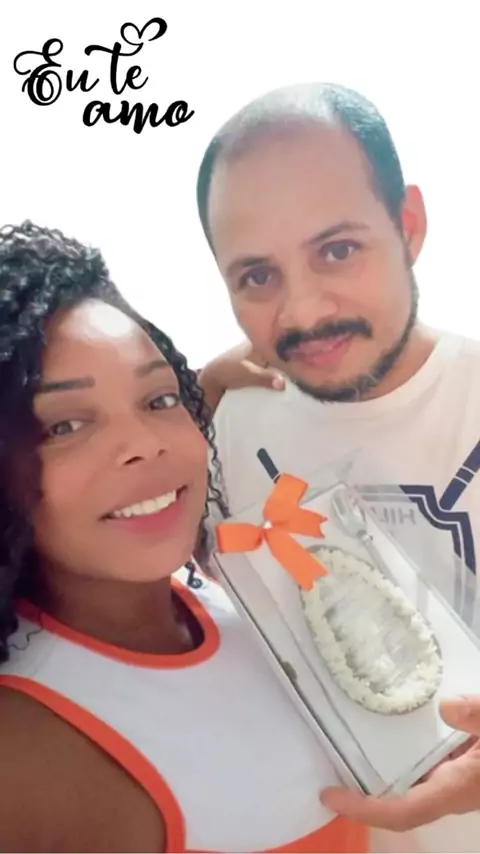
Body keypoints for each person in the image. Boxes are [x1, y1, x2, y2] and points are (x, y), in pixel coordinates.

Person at [0, 220, 372, 854]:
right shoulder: (25, 756)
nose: (146, 446)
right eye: (64, 427)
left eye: (158, 400)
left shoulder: (226, 591)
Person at [195, 83, 480, 850]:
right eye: (258, 276)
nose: (306, 312)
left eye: (338, 250)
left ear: (408, 225)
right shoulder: (225, 426)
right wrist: (185, 395)